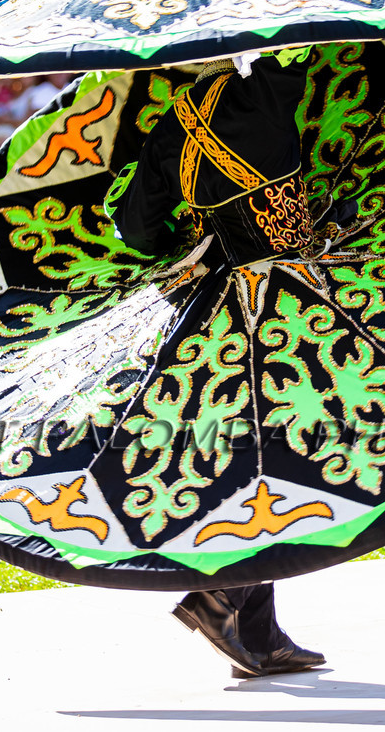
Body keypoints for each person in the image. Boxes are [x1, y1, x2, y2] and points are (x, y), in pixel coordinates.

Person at [106, 49, 324, 678]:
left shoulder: (171, 129)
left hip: (218, 314)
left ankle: (258, 628)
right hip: (289, 306)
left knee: (264, 456)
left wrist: (193, 230)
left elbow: (139, 228)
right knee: (282, 456)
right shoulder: (272, 92)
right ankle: (220, 598)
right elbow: (316, 44)